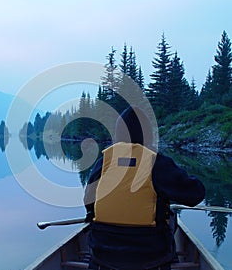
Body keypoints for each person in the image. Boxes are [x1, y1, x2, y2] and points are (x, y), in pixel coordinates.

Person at [84, 106, 205, 270]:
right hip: (151, 256)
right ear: (147, 136)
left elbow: (88, 203)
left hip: (103, 254)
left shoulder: (104, 161)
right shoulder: (157, 163)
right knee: (170, 215)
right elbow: (196, 194)